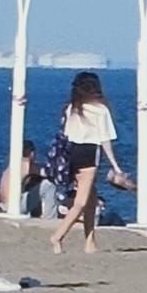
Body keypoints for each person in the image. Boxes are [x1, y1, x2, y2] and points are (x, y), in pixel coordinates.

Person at [51, 71, 126, 255]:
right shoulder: (100, 110)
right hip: (88, 154)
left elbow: (65, 134)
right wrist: (115, 167)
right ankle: (58, 236)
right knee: (81, 202)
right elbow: (105, 141)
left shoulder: (72, 108)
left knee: (91, 199)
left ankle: (90, 242)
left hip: (70, 154)